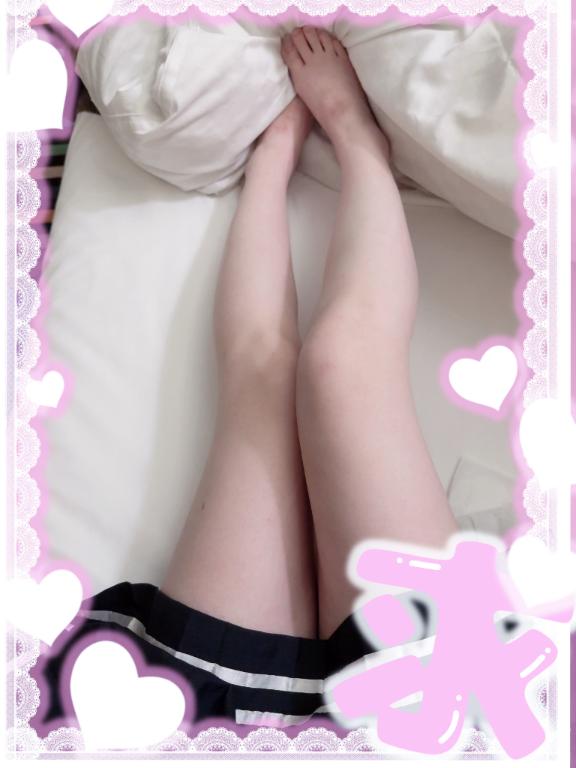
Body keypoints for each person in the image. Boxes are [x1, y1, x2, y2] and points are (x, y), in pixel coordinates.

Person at [38, 26, 458, 732]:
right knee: (342, 367)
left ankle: (282, 156)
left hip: (204, 725)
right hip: (435, 724)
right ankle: (353, 141)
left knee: (273, 382)